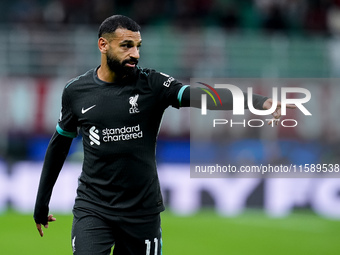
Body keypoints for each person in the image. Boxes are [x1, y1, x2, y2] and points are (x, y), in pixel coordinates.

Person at [33, 15, 287, 255]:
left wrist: (258, 101)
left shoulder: (152, 85)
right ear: (103, 45)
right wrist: (42, 203)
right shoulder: (76, 91)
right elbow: (59, 146)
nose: (135, 54)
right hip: (94, 207)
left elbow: (201, 96)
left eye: (138, 46)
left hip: (142, 212)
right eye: (126, 46)